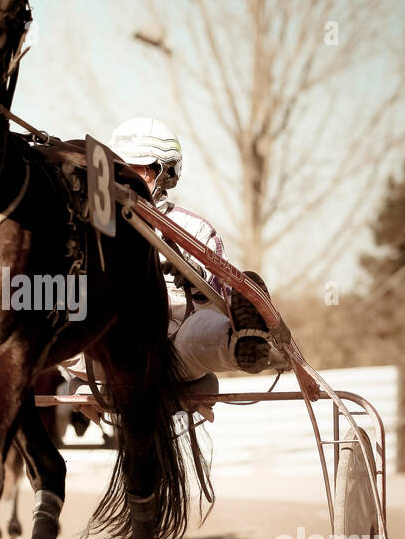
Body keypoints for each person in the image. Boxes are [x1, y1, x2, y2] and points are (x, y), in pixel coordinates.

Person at [106, 116, 289, 381]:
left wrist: (195, 276)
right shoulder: (94, 223)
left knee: (204, 330)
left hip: (175, 347)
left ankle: (248, 346)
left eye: (139, 172)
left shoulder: (194, 228)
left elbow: (222, 300)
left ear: (165, 174)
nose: (127, 180)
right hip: (110, 347)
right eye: (120, 170)